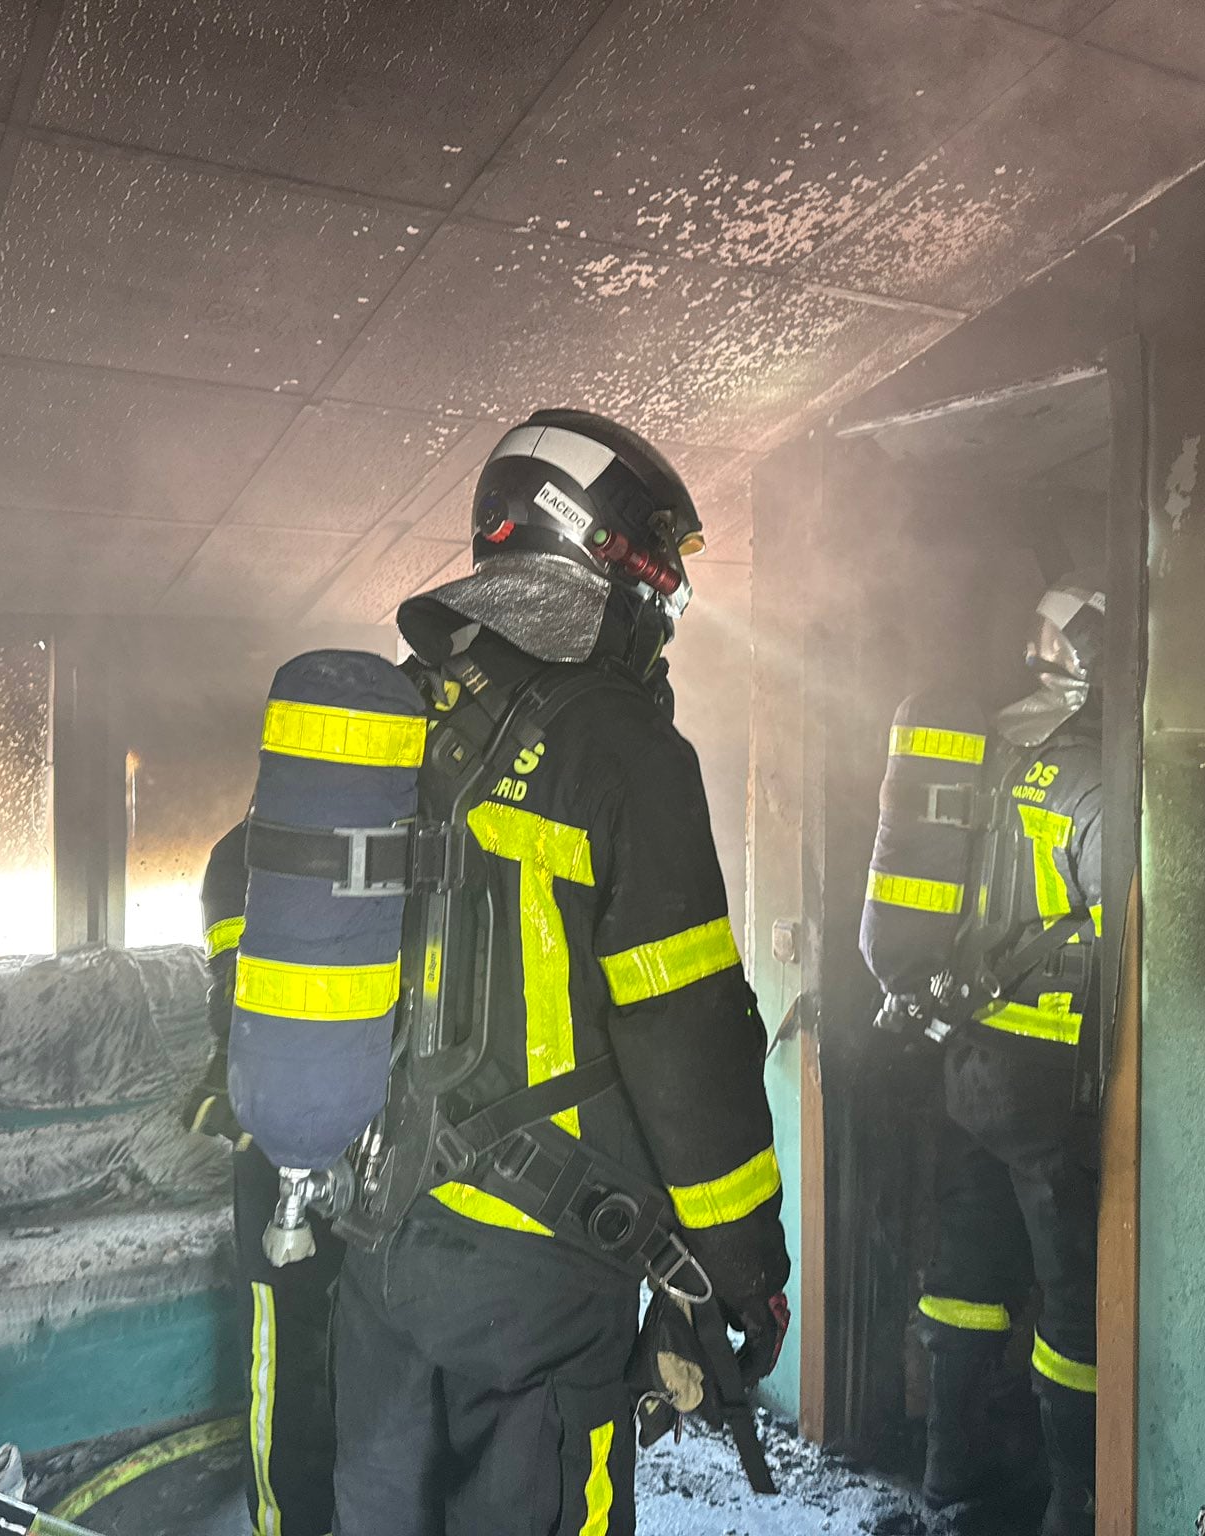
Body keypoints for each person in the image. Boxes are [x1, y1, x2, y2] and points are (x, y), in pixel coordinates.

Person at [314, 409, 792, 1536]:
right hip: (535, 1288)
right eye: (654, 561)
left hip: (382, 1238)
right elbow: (689, 1038)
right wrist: (742, 1265)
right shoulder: (625, 747)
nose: (664, 593)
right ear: (594, 552)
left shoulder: (399, 710)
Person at [860, 581, 1107, 1536]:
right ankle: (1076, 1507)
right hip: (1046, 1084)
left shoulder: (987, 759)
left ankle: (952, 1480)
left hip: (963, 1060)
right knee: (1074, 1302)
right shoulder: (1086, 780)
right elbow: (1131, 916)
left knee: (965, 1273)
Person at [185, 823, 342, 1536]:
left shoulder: (408, 840)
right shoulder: (239, 859)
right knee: (288, 1372)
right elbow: (240, 1003)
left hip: (380, 1154)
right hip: (283, 1158)